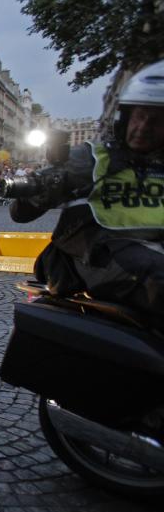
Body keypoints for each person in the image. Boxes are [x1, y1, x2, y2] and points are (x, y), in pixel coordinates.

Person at [10, 60, 164, 325]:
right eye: (140, 116)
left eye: (157, 120)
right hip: (97, 253)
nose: (143, 128)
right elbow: (20, 212)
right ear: (125, 116)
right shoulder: (93, 158)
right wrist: (46, 185)